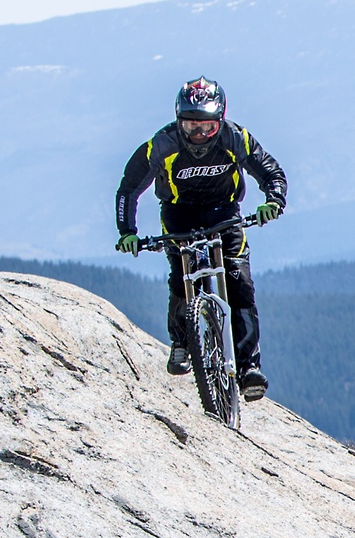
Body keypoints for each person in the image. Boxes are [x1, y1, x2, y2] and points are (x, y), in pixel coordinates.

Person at [114, 77, 287, 399]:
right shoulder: (162, 144)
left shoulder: (236, 138)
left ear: (219, 120)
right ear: (178, 119)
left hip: (225, 212)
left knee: (240, 283)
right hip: (178, 213)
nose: (199, 134)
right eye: (191, 125)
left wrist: (274, 200)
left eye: (207, 127)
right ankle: (182, 342)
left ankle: (249, 366)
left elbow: (270, 171)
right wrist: (127, 232)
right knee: (181, 278)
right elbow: (129, 189)